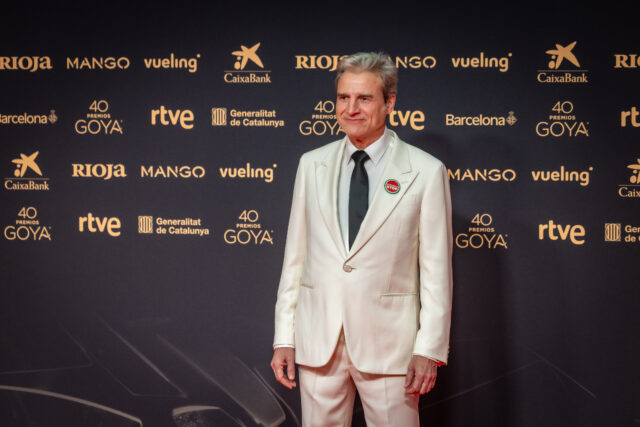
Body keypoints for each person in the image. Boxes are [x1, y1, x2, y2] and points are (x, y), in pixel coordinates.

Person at [271, 52, 453, 426]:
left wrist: (429, 348)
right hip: (319, 342)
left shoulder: (426, 171)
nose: (351, 109)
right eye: (343, 97)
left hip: (390, 347)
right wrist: (284, 338)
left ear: (389, 103)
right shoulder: (311, 164)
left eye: (365, 98)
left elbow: (436, 273)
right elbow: (295, 260)